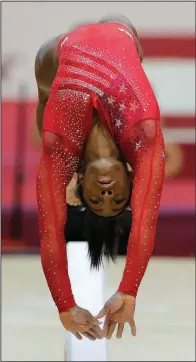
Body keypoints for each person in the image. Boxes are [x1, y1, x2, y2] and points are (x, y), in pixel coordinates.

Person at [35, 13, 165, 341]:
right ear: (131, 176)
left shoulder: (60, 150)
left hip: (62, 57)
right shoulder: (142, 137)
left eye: (97, 199)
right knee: (120, 24)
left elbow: (50, 230)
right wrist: (129, 290)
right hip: (121, 35)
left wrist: (65, 305)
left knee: (46, 61)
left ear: (77, 189)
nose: (106, 193)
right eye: (117, 198)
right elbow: (145, 221)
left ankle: (54, 73)